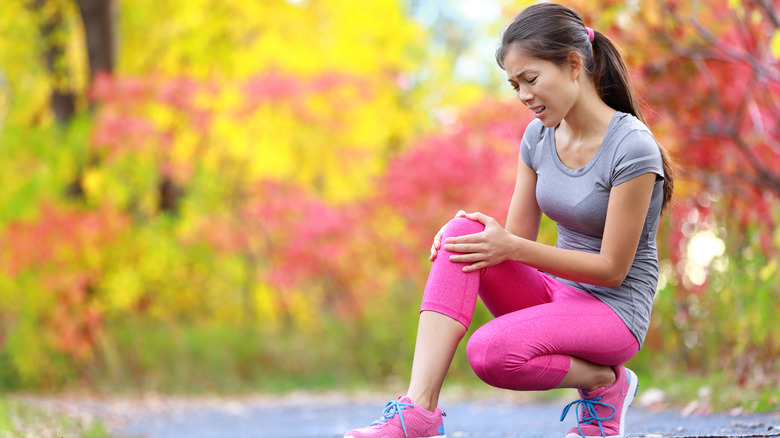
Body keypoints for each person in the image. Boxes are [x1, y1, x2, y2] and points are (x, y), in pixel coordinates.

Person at [343, 3, 675, 438]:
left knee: (491, 352)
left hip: (613, 312)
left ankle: (604, 382)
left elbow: (613, 270)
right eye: (514, 84)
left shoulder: (632, 147)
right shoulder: (538, 136)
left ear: (574, 65)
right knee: (463, 234)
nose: (522, 96)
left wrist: (510, 248)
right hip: (557, 294)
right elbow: (517, 241)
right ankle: (418, 411)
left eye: (531, 79)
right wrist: (480, 239)